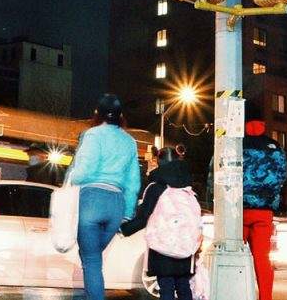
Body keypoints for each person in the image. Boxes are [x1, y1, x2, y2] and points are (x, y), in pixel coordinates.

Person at [64, 93, 140, 300]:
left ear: (96, 114)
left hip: (92, 201)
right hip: (116, 205)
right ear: (121, 116)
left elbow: (85, 170)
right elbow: (133, 183)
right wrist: (127, 212)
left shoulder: (93, 135)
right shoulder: (130, 142)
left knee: (91, 260)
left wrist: (72, 178)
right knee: (93, 257)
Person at [121, 146, 196, 300]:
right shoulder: (187, 187)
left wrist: (124, 229)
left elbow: (144, 217)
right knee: (183, 285)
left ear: (159, 161)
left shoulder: (155, 188)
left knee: (166, 286)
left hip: (162, 246)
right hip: (184, 245)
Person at [242, 119, 287, 300]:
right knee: (262, 258)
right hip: (264, 210)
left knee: (234, 253)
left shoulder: (236, 143)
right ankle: (265, 297)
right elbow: (283, 173)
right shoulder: (275, 146)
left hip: (239, 209)